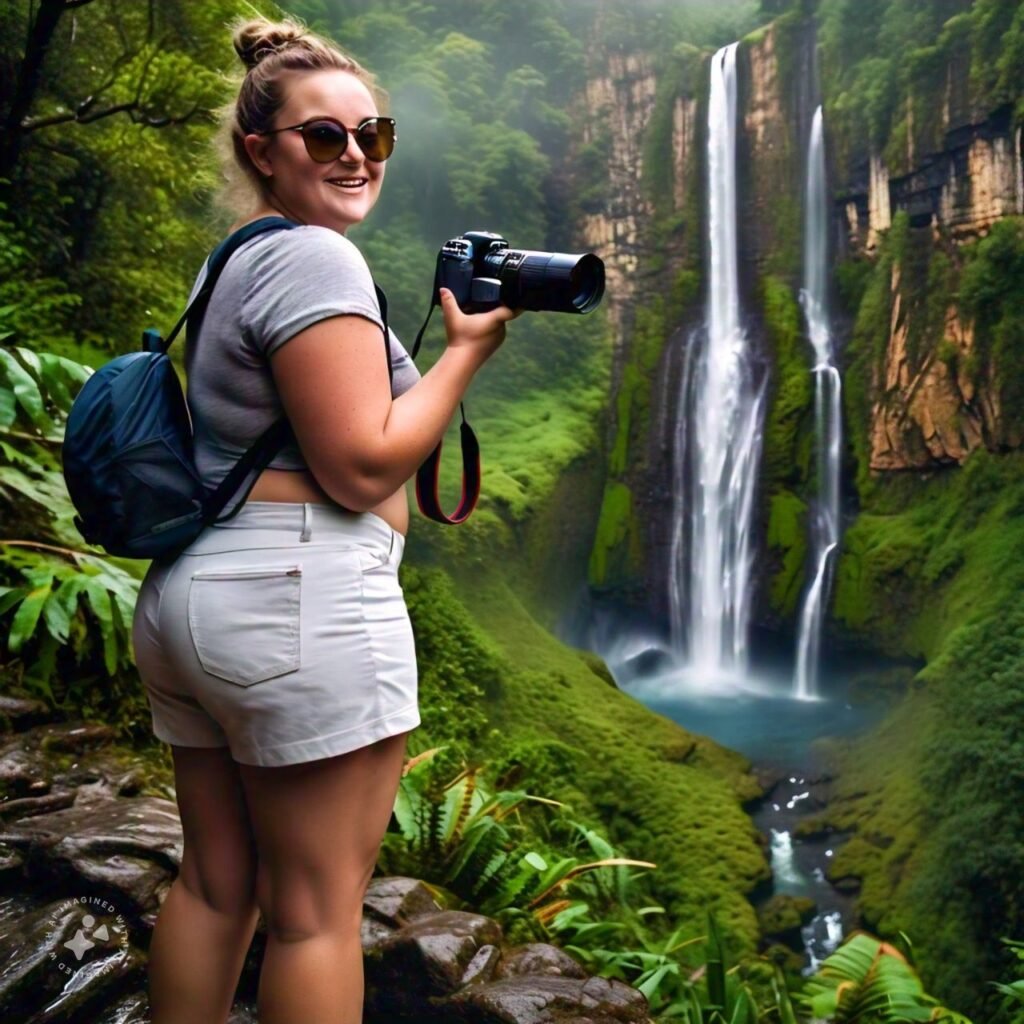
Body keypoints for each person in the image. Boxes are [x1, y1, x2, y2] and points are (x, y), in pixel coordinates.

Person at [130, 15, 518, 1024]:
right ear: (263, 151)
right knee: (314, 917)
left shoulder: (236, 260)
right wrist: (464, 354)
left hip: (198, 599)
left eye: (372, 134)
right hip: (293, 600)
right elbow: (358, 464)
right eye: (325, 136)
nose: (354, 154)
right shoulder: (315, 261)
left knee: (217, 885)